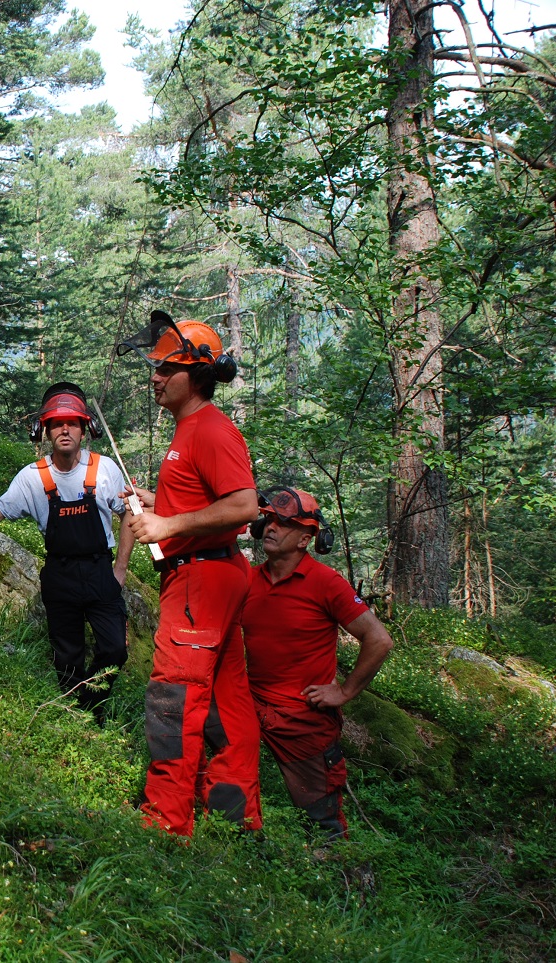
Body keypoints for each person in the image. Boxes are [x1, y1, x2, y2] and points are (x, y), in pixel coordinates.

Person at [117, 309, 263, 836]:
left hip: (200, 582)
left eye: (164, 369)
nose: (153, 378)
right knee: (227, 702)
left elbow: (245, 506)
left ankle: (164, 821)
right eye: (154, 368)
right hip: (209, 573)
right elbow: (207, 501)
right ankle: (234, 817)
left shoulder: (210, 430)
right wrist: (156, 504)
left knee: (173, 694)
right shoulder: (192, 430)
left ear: (195, 375)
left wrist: (169, 523)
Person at [0, 382, 135, 713]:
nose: (65, 430)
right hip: (60, 575)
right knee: (67, 657)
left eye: (72, 423)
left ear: (85, 428)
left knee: (115, 649)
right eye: (56, 424)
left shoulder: (104, 469)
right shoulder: (32, 477)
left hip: (99, 572)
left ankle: (91, 705)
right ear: (45, 430)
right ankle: (74, 717)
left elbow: (130, 515)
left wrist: (119, 570)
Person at [243, 487, 393, 837]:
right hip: (251, 705)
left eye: (284, 523)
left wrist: (344, 691)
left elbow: (379, 640)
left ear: (306, 538)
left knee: (322, 819)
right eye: (268, 520)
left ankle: (338, 872)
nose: (271, 528)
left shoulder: (327, 583)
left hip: (303, 716)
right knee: (225, 781)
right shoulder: (249, 579)